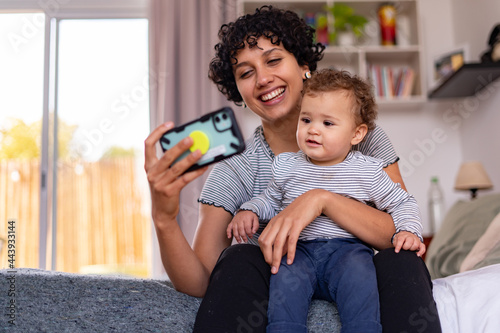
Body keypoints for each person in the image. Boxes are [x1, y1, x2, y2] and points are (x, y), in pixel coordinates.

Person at [144, 5, 442, 333]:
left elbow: (396, 231)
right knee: (239, 258)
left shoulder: (358, 139)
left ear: (303, 66)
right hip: (282, 273)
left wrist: (320, 199)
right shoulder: (235, 170)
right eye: (245, 73)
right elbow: (202, 281)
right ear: (238, 91)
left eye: (273, 60)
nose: (263, 79)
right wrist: (164, 218)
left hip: (351, 270)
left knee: (402, 259)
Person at [226, 69, 425, 332]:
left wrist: (409, 230)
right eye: (306, 119)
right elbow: (270, 200)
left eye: (327, 124)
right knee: (283, 299)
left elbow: (401, 202)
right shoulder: (286, 165)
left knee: (360, 287)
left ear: (357, 134)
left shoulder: (367, 170)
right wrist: (249, 210)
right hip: (297, 253)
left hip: (348, 252)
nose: (313, 130)